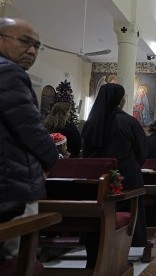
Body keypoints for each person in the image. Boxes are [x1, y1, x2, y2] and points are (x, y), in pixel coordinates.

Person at [0, 17, 58, 271]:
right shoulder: (9, 72)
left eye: (37, 45)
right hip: (11, 188)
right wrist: (51, 160)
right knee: (15, 257)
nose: (32, 51)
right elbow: (32, 131)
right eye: (24, 41)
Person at [81, 83, 148, 267]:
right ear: (122, 100)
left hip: (96, 180)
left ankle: (94, 258)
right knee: (124, 213)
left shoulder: (90, 123)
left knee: (100, 216)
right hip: (126, 177)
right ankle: (119, 257)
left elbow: (85, 153)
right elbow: (143, 150)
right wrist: (132, 165)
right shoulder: (128, 121)